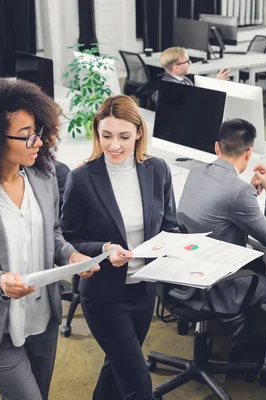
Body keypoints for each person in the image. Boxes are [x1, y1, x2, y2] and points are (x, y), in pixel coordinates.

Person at [0, 79, 97, 400]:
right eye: (26, 135)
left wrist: (70, 256)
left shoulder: (45, 177)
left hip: (44, 321)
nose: (38, 141)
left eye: (37, 131)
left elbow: (52, 235)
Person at [60, 95, 179, 400]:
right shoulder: (82, 178)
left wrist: (181, 251)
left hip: (143, 292)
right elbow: (69, 237)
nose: (114, 145)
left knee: (117, 370)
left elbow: (170, 226)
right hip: (104, 296)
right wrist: (104, 247)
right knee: (138, 384)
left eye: (124, 136)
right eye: (106, 136)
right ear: (97, 134)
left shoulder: (158, 170)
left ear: (139, 132)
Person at [177, 118, 266, 388]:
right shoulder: (239, 191)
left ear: (217, 147)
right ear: (248, 154)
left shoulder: (196, 173)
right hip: (216, 284)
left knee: (257, 268)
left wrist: (248, 199)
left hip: (185, 276)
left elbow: (224, 209)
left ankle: (242, 348)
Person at [159, 46, 229, 84]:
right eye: (186, 62)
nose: (190, 63)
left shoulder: (185, 80)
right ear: (176, 67)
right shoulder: (172, 86)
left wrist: (216, 82)